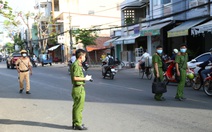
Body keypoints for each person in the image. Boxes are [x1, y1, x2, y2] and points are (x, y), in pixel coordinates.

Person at [70, 49, 92, 130]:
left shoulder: (78, 64)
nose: (84, 58)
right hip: (78, 88)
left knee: (76, 107)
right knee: (79, 107)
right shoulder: (76, 65)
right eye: (84, 56)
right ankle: (77, 124)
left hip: (78, 88)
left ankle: (75, 122)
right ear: (80, 56)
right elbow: (75, 77)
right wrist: (85, 78)